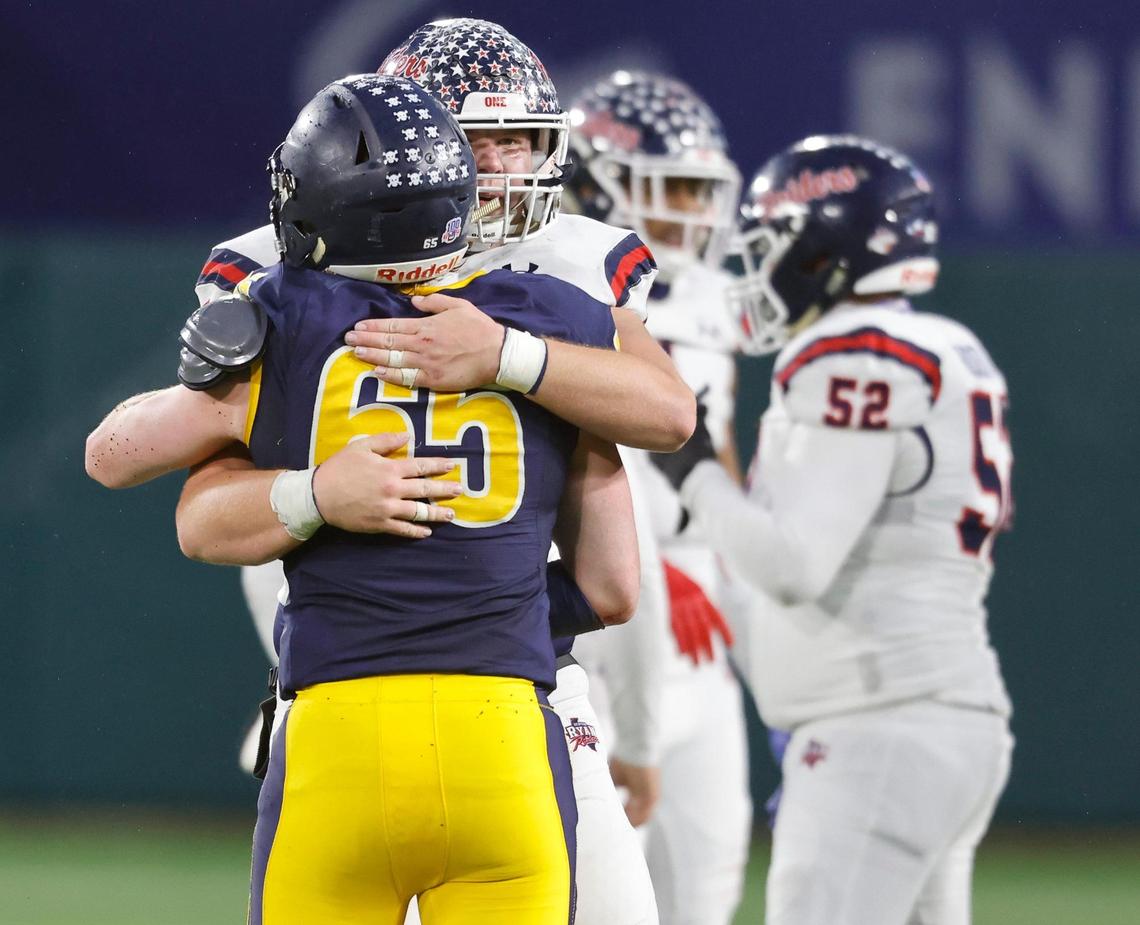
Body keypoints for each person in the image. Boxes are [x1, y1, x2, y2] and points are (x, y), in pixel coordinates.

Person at [113, 19, 675, 925]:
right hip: (347, 655)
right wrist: (314, 494)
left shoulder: (567, 266)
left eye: (520, 138)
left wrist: (507, 355)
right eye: (476, 136)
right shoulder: (276, 269)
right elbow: (192, 494)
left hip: (523, 669)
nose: (499, 163)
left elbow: (664, 415)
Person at [654, 135, 1015, 925]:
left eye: (773, 243)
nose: (759, 266)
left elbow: (791, 565)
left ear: (822, 249)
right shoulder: (950, 347)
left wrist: (693, 466)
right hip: (942, 718)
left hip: (880, 729)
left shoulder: (855, 353)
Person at [563, 70, 753, 925]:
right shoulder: (568, 282)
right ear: (605, 183)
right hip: (605, 598)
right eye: (673, 186)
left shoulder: (715, 301)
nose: (694, 211)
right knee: (596, 893)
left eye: (702, 189)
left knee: (704, 888)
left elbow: (719, 455)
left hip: (696, 605)